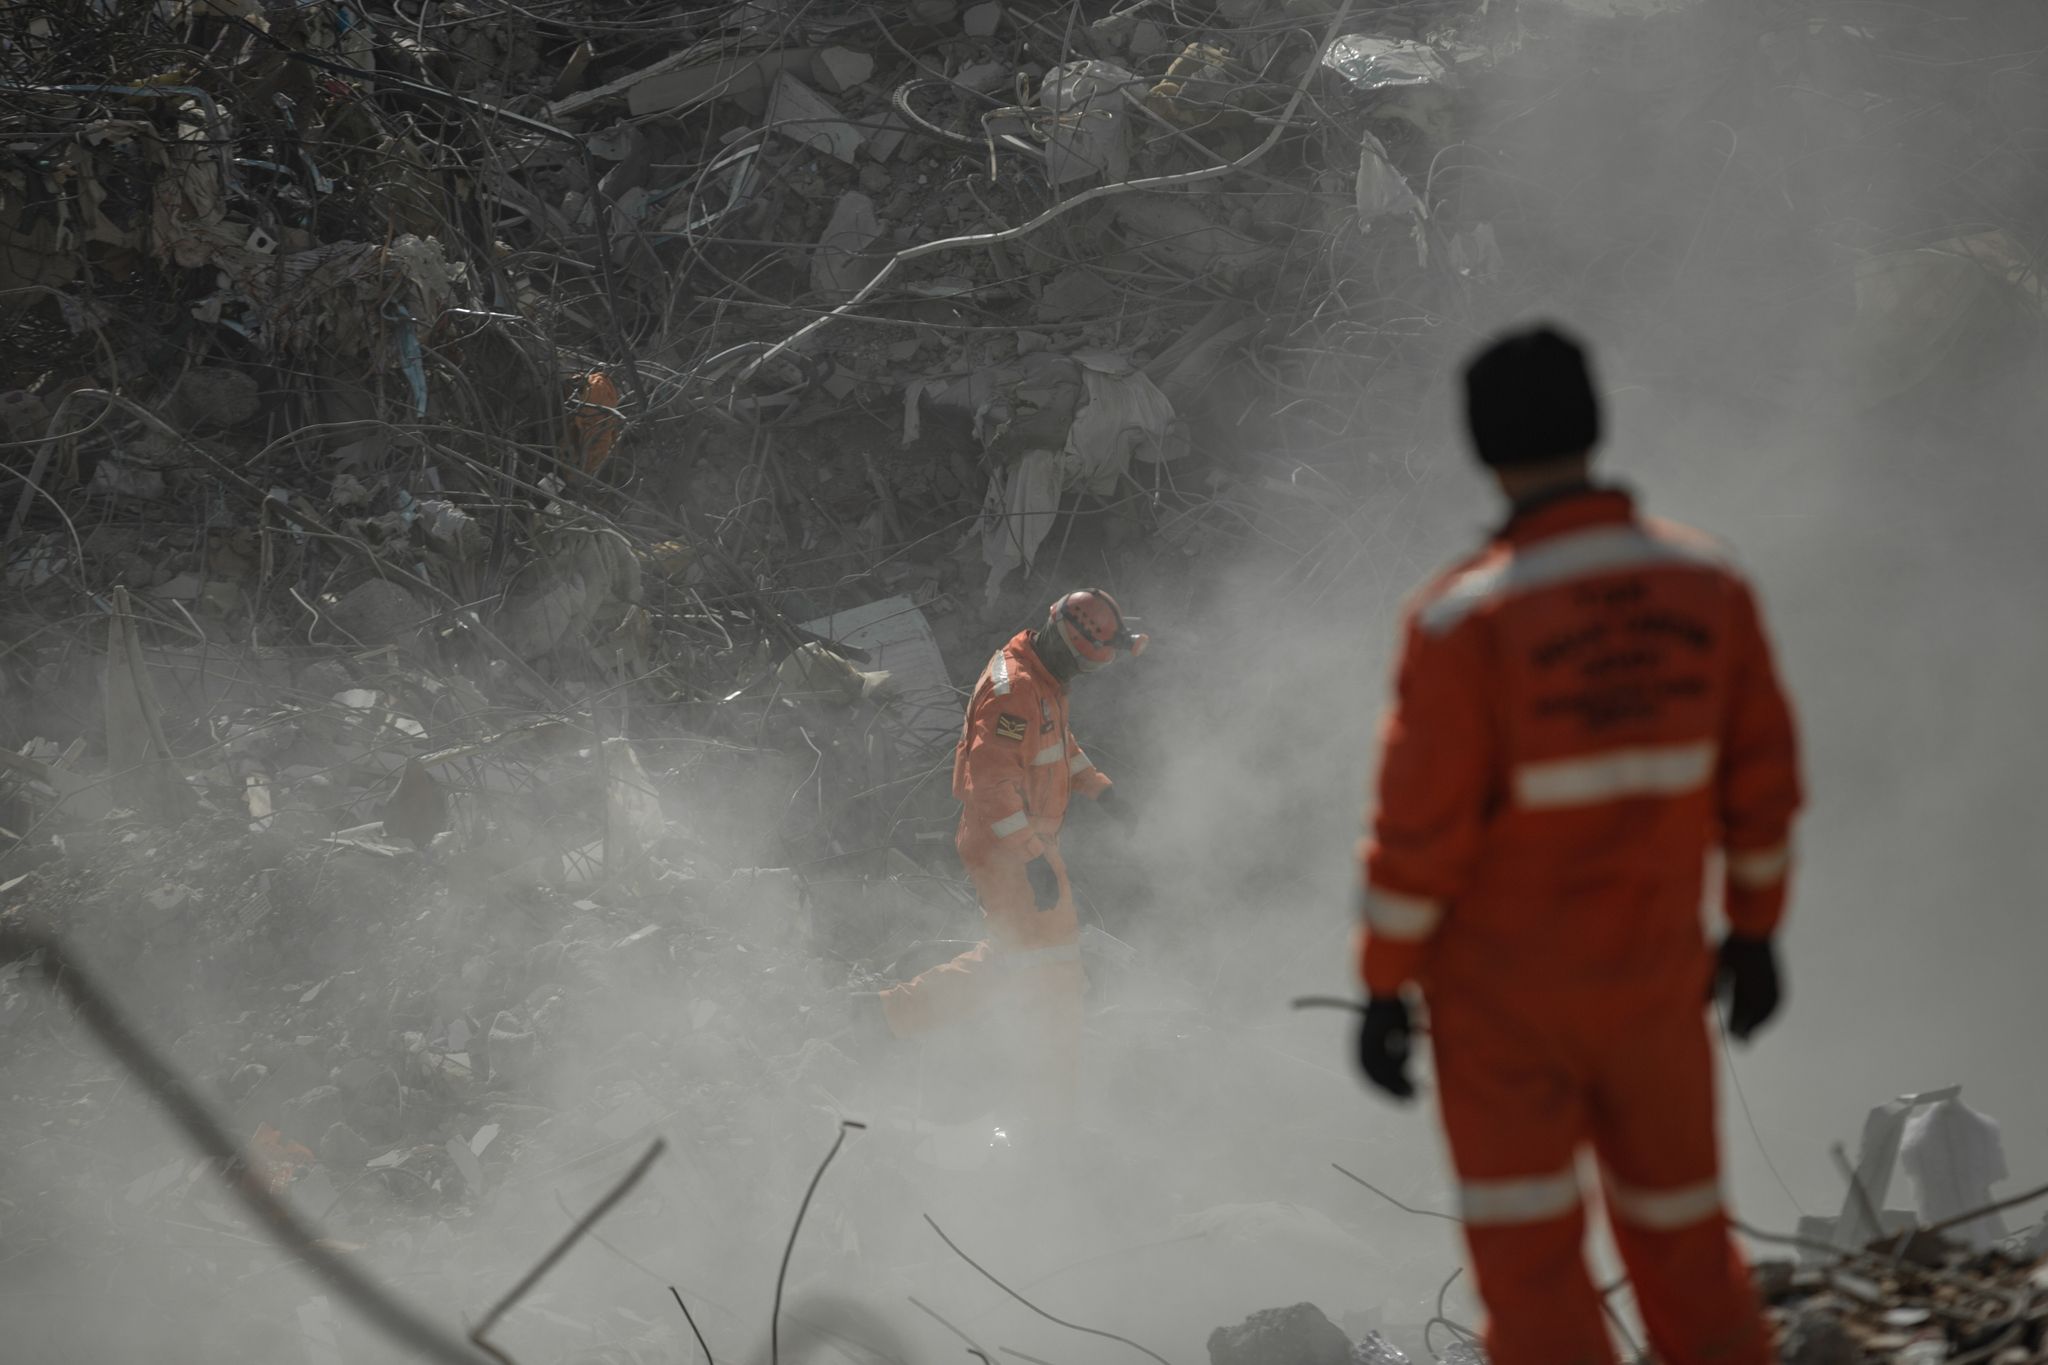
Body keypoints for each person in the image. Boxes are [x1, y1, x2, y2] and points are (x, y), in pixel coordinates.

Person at [1351, 324, 1802, 1365]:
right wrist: (1753, 935)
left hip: (1503, 1014)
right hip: (1653, 986)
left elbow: (1415, 837)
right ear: (1594, 423)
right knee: (1687, 1245)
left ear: (1480, 447)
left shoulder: (1462, 623)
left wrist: (1381, 986)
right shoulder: (1705, 587)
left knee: (1531, 1274)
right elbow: (1761, 790)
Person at [876, 590, 1144, 1132]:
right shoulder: (1013, 691)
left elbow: (1058, 744)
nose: (1083, 674)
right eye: (1081, 663)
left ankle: (892, 1014)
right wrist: (1030, 857)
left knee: (1019, 960)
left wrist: (1099, 788)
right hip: (1007, 847)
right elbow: (990, 781)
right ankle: (1051, 1108)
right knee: (1043, 969)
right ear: (1064, 642)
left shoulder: (1044, 679)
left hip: (1028, 844)